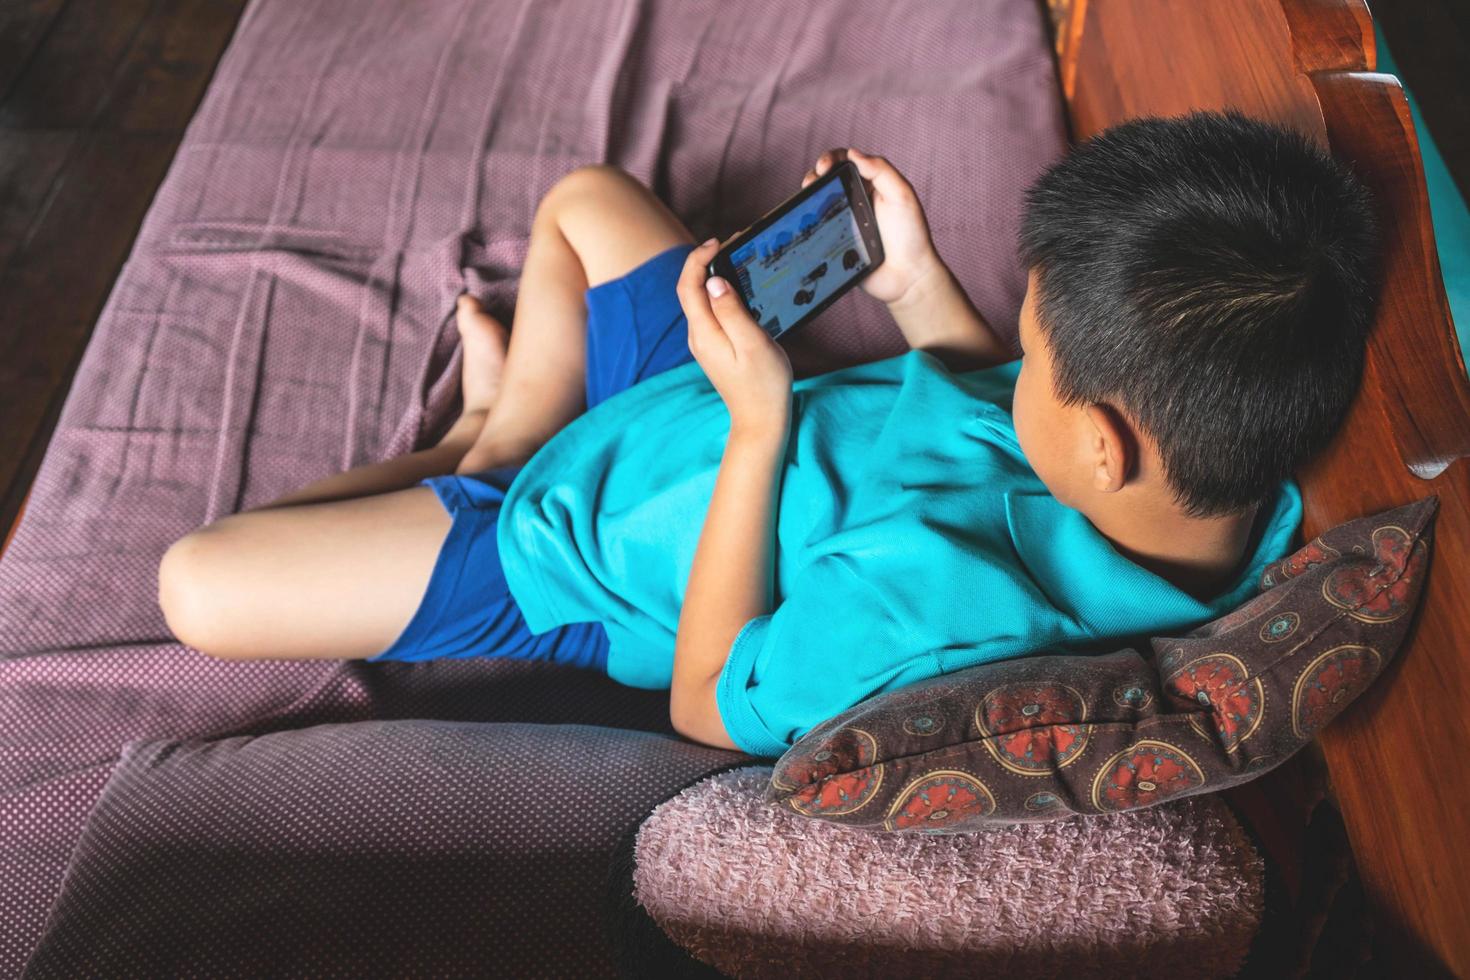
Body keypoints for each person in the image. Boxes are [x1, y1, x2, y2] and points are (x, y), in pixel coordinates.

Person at [157, 110, 1380, 757]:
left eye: (1034, 351)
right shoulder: (1205, 474)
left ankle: (475, 458)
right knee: (586, 199)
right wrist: (910, 280)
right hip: (687, 408)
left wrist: (757, 426)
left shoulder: (935, 618)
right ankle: (505, 424)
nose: (1014, 353)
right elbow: (977, 395)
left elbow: (701, 701)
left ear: (1105, 448)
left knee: (195, 587)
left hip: (587, 556)